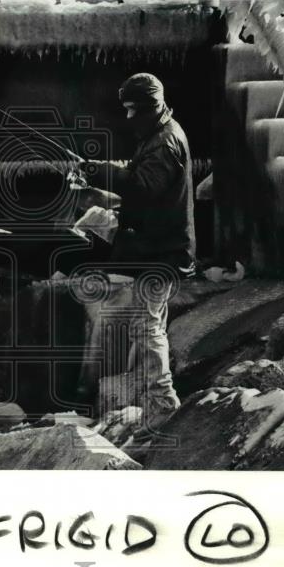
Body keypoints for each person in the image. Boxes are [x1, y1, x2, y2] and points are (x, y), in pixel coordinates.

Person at [74, 72, 196, 429]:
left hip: (162, 254)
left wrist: (99, 175)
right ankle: (152, 400)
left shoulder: (164, 143)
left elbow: (143, 188)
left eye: (134, 110)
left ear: (152, 107)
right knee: (147, 324)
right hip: (158, 249)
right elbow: (142, 184)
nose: (128, 118)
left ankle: (163, 402)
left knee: (147, 328)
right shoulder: (161, 134)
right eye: (125, 109)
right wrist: (98, 173)